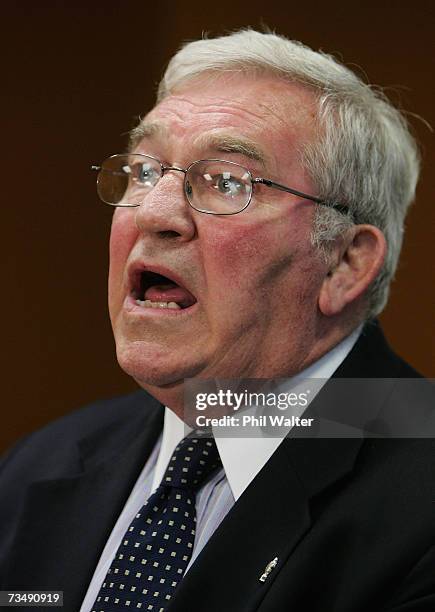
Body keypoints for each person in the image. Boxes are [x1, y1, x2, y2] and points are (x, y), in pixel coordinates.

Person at [1, 28, 434, 612]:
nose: (154, 212)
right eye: (145, 171)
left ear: (345, 263)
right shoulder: (38, 468)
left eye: (227, 181)